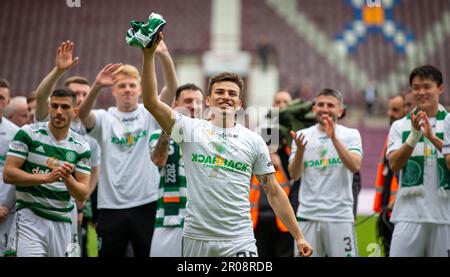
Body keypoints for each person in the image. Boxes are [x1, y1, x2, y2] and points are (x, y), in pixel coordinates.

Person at [140, 33, 312, 257]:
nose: (226, 97)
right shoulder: (190, 130)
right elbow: (151, 102)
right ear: (209, 100)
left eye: (232, 93)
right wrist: (148, 55)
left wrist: (298, 236)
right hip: (196, 238)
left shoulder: (253, 140)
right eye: (219, 92)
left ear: (240, 103)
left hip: (239, 239)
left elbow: (274, 192)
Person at [78, 39, 177, 257]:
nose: (127, 90)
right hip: (111, 206)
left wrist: (164, 55)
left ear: (140, 89)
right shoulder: (105, 118)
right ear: (113, 90)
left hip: (147, 202)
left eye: (132, 85)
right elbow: (83, 115)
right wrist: (96, 86)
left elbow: (171, 89)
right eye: (121, 86)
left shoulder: (149, 113)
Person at [3, 88, 91, 257]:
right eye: (55, 106)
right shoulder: (28, 133)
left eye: (65, 107)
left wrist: (67, 178)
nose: (59, 112)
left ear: (74, 111)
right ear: (49, 108)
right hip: (30, 216)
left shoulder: (81, 146)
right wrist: (46, 178)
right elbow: (8, 174)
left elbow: (82, 194)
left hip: (62, 221)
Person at [33, 41, 101, 257]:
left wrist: (81, 199)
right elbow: (41, 97)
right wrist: (59, 71)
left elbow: (95, 169)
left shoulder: (92, 129)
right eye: (76, 93)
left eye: (84, 93)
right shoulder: (50, 119)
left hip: (70, 203)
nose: (80, 97)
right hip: (39, 202)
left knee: (74, 250)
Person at [288, 88, 363, 257]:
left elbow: (355, 166)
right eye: (320, 104)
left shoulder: (351, 135)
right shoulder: (302, 135)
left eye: (330, 105)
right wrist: (300, 151)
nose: (325, 108)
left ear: (340, 110)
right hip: (307, 215)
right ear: (314, 109)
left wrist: (334, 139)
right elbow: (294, 175)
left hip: (339, 216)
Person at [389, 65, 450, 257]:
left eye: (427, 86)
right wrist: (413, 138)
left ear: (440, 88)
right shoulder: (399, 126)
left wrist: (432, 137)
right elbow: (394, 165)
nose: (421, 92)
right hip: (408, 215)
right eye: (416, 87)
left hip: (444, 215)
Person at [149, 83, 203, 257]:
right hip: (168, 219)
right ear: (174, 105)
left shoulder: (213, 137)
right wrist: (169, 127)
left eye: (198, 102)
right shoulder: (158, 135)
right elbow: (158, 160)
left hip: (202, 222)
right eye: (187, 101)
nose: (193, 106)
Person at [250, 90, 294, 257]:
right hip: (259, 213)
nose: (281, 105)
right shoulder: (262, 133)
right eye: (277, 101)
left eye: (285, 102)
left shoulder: (297, 138)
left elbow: (296, 177)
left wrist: (280, 164)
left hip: (286, 215)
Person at [373, 94, 405, 256]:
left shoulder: (408, 138)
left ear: (406, 110)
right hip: (387, 209)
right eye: (389, 109)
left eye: (395, 110)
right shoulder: (392, 136)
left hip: (400, 211)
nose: (390, 113)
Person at [0, 79, 19, 257]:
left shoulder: (15, 133)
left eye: (0, 98)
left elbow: (18, 175)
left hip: (6, 212)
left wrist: (5, 205)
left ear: (7, 101)